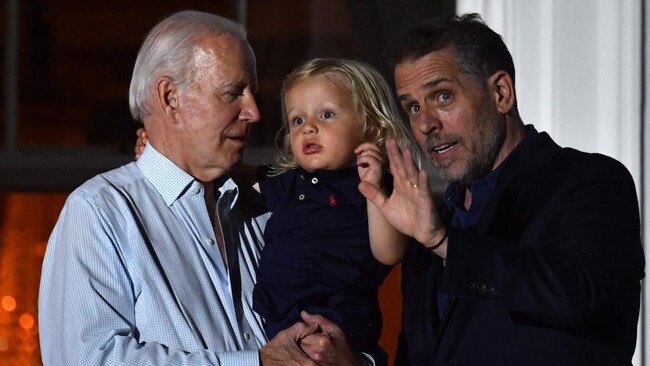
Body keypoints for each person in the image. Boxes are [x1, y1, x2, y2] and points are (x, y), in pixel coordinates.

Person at [39, 10, 366, 366]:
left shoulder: (266, 206)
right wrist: (252, 362)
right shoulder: (99, 212)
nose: (254, 112)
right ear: (170, 99)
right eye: (232, 94)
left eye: (252, 94)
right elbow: (87, 360)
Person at [358, 13, 645, 365]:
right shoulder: (434, 218)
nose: (425, 123)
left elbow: (571, 292)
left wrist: (442, 242)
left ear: (501, 93)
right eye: (413, 107)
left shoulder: (589, 180)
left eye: (443, 96)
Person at [135, 57, 420, 365]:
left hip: (337, 318)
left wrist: (374, 192)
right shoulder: (289, 181)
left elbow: (389, 253)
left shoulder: (376, 185)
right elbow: (231, 174)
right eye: (297, 120)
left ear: (373, 129)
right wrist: (169, 150)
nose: (309, 127)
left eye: (326, 115)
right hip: (275, 317)